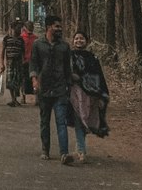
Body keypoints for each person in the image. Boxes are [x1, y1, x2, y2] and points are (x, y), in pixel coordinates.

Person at [30, 15, 74, 163]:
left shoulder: (64, 46)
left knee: (61, 121)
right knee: (45, 121)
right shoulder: (37, 44)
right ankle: (45, 149)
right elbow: (34, 64)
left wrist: (70, 87)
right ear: (49, 27)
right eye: (57, 26)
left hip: (60, 89)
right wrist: (34, 80)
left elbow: (68, 68)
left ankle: (64, 153)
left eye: (60, 27)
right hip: (44, 88)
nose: (59, 29)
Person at [69, 31, 110, 163]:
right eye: (76, 38)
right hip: (74, 94)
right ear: (73, 41)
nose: (79, 41)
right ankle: (81, 150)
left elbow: (98, 77)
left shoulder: (93, 58)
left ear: (87, 41)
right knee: (79, 120)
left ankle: (80, 147)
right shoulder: (69, 56)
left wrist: (101, 96)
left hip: (89, 95)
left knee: (85, 121)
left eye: (81, 38)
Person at [0, 20, 25, 107]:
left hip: (18, 63)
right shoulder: (7, 38)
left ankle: (15, 99)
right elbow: (3, 51)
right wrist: (2, 64)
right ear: (13, 28)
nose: (19, 30)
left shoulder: (21, 40)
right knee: (10, 81)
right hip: (10, 62)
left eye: (20, 28)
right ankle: (13, 99)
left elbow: (23, 52)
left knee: (17, 81)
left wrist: (23, 61)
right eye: (18, 28)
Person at [20, 20, 36, 104]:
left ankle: (37, 98)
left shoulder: (35, 38)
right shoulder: (21, 37)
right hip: (24, 61)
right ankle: (23, 97)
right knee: (23, 79)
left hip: (33, 61)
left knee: (34, 79)